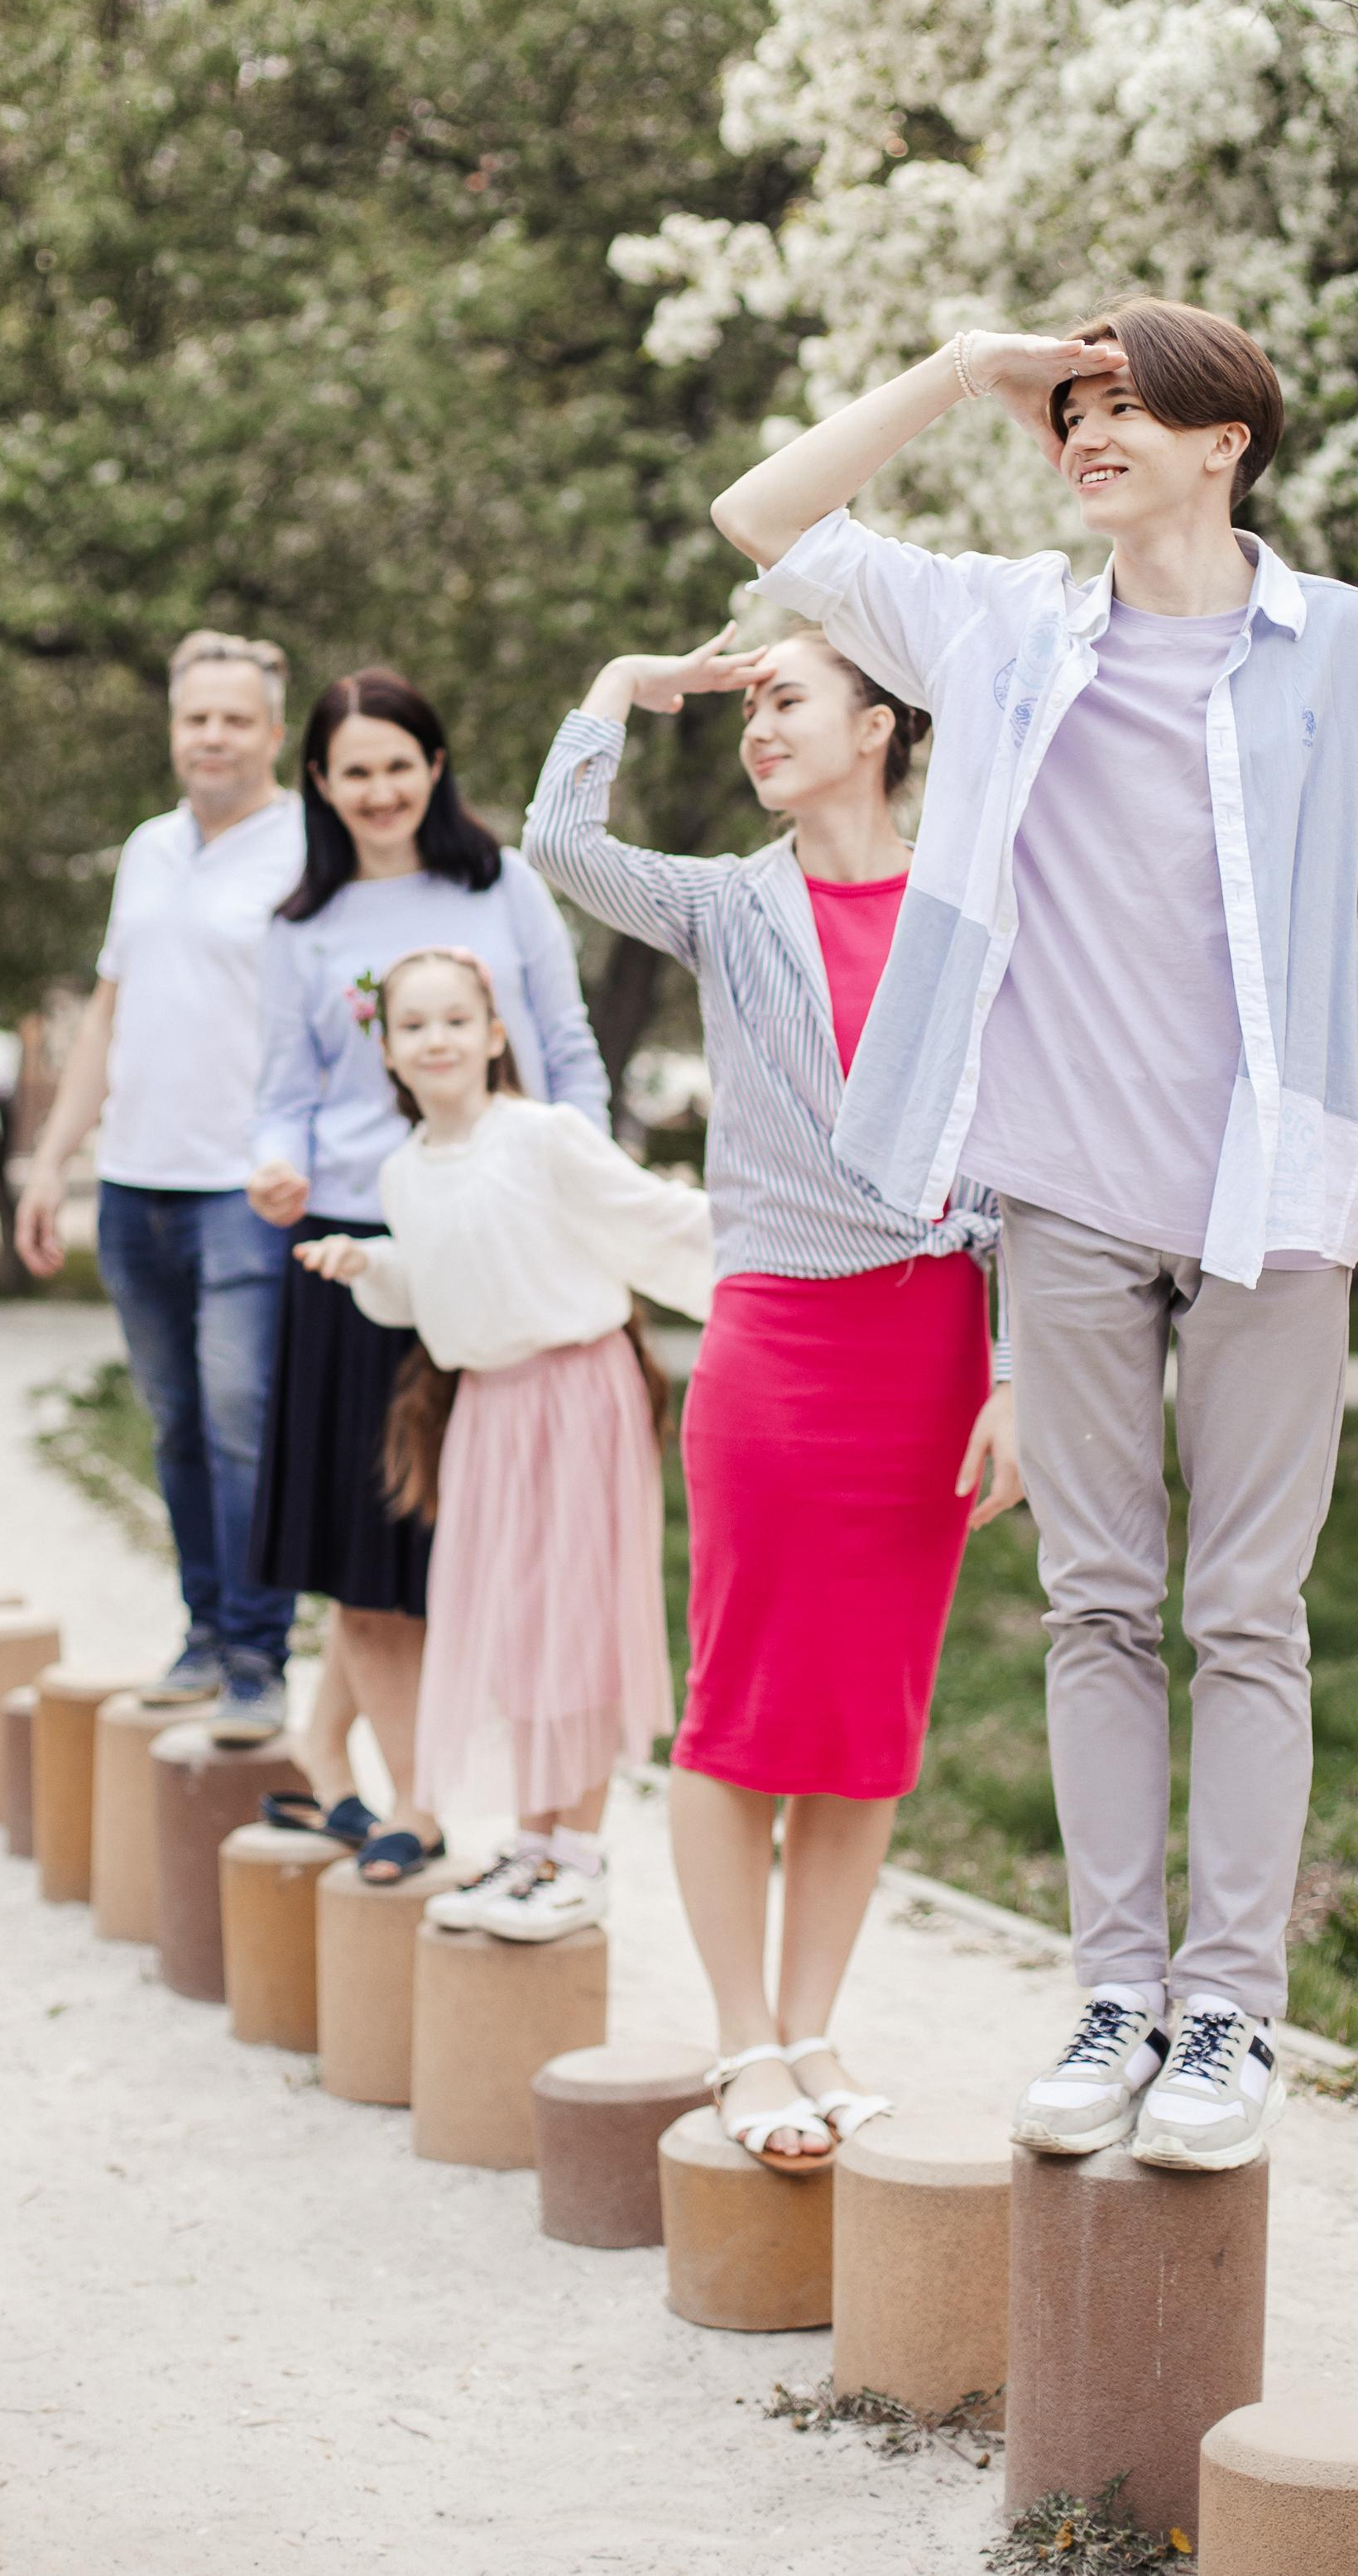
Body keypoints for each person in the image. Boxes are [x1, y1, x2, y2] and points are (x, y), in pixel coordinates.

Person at [710, 298, 1358, 2172]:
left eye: (1126, 404)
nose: (1086, 431)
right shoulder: (996, 631)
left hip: (1270, 1201)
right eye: (1071, 409)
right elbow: (762, 512)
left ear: (1230, 438)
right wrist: (965, 365)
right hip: (1055, 1195)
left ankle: (1230, 2012)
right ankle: (1113, 1995)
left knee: (1242, 1614)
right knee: (1089, 1608)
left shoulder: (1346, 649)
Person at [525, 621, 1022, 2170]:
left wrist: (1015, 1370)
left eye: (786, 699)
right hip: (778, 1349)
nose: (757, 729)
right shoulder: (730, 904)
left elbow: (1017, 1148)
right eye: (748, 708)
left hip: (938, 1350)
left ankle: (813, 2029)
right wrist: (618, 689)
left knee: (872, 1720)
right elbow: (557, 839)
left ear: (878, 725)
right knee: (741, 1715)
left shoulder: (976, 906)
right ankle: (739, 2042)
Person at [245, 669, 609, 1883]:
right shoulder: (298, 927)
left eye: (399, 764)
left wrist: (578, 1191)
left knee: (467, 1549)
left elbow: (567, 1054)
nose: (380, 789)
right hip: (353, 1248)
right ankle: (416, 1805)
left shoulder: (501, 888)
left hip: (499, 1249)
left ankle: (409, 1783)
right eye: (354, 770)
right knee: (365, 1552)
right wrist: (277, 1170)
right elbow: (283, 1097)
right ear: (319, 784)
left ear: (436, 766)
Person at [295, 946, 714, 1939]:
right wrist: (372, 1266)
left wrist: (773, 1239)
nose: (435, 1037)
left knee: (576, 1615)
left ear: (492, 1035)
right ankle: (530, 1844)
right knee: (520, 1625)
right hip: (487, 1412)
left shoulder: (542, 1136)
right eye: (413, 1024)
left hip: (576, 1395)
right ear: (388, 1051)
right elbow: (441, 1276)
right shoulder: (402, 1173)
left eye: (454, 1019)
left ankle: (578, 1851)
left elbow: (648, 1219)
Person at [16, 630, 305, 1745]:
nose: (214, 736)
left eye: (236, 719)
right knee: (175, 1422)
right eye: (197, 719)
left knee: (243, 1420)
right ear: (174, 729)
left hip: (245, 1192)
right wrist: (51, 1162)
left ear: (273, 733)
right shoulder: (146, 849)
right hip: (136, 1187)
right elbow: (107, 1014)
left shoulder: (305, 852)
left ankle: (256, 1655)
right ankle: (201, 1631)